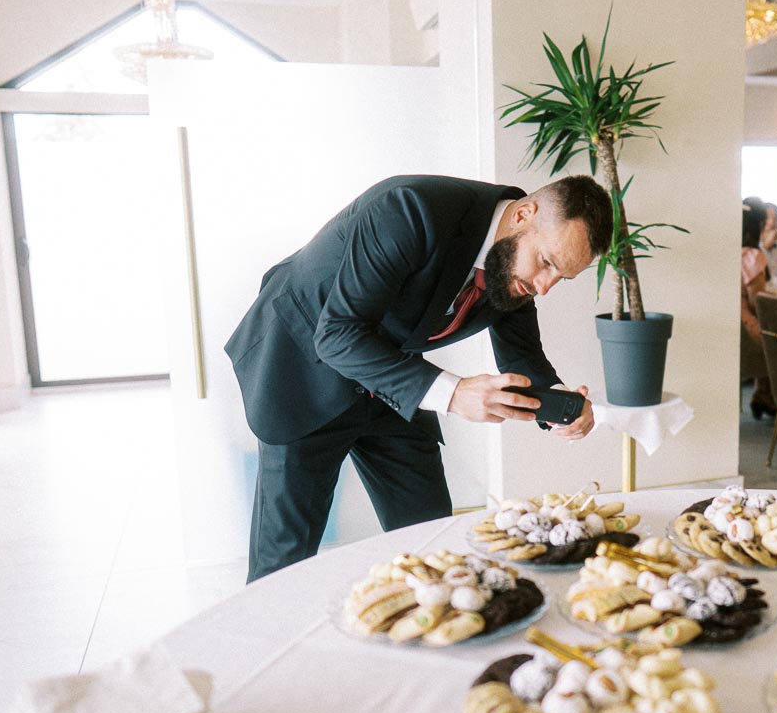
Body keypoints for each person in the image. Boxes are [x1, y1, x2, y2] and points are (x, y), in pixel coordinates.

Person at [226, 174, 612, 581]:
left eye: (560, 278)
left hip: (392, 379)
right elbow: (337, 333)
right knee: (283, 565)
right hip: (303, 369)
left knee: (430, 541)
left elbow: (522, 353)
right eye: (547, 263)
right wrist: (455, 393)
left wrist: (556, 402)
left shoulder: (515, 264)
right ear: (523, 215)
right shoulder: (409, 209)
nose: (544, 286)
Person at [741, 204, 776, 418]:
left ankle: (763, 394)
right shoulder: (753, 256)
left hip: (735, 325)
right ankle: (768, 394)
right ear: (759, 226)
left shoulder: (731, 252)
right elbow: (757, 302)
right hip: (747, 331)